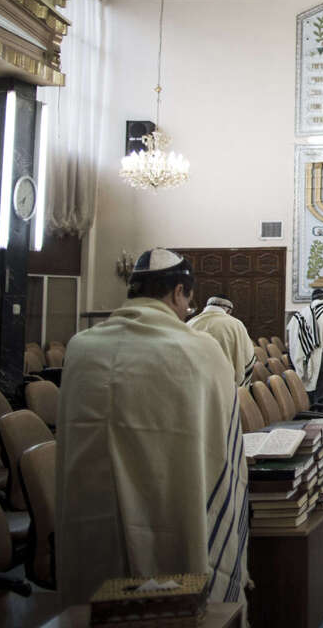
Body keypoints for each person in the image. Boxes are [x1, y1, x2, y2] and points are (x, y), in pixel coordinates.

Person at [55, 249, 248, 608]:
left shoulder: (80, 349)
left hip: (94, 517)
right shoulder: (199, 350)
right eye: (187, 300)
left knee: (99, 599)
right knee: (171, 600)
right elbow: (223, 441)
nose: (186, 310)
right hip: (171, 512)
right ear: (179, 292)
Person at [287, 288, 323, 405]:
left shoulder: (300, 314)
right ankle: (322, 415)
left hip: (304, 358)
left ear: (312, 299)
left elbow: (290, 340)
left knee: (308, 393)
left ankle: (310, 413)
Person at [188, 296, 256, 385]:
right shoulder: (236, 324)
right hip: (225, 383)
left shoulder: (190, 323)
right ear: (228, 311)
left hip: (196, 382)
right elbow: (247, 356)